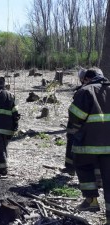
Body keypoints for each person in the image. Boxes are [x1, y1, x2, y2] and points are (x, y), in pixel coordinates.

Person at [68, 67, 110, 224]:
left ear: (87, 78)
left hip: (89, 143)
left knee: (83, 165)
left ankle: (91, 200)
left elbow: (75, 116)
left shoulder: (85, 91)